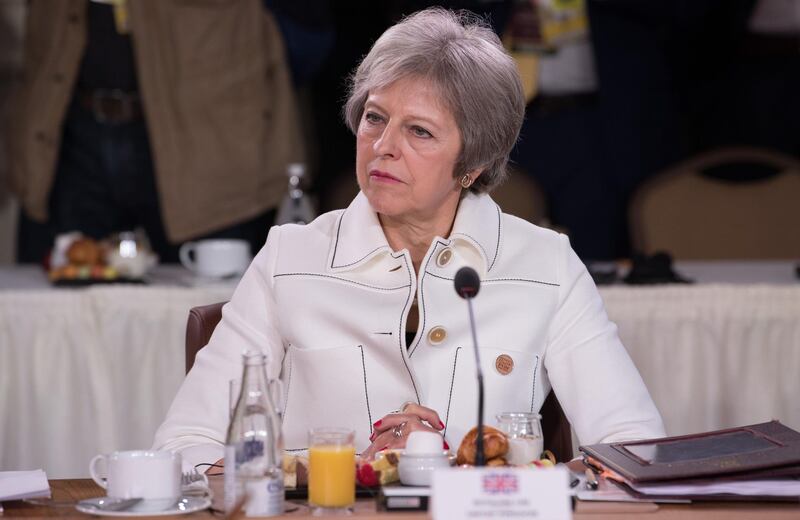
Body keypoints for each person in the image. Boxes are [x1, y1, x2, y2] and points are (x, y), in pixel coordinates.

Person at [153, 7, 664, 469]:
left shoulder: (546, 264)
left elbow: (633, 446)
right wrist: (345, 471)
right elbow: (184, 445)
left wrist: (491, 475)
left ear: (474, 163)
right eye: (374, 118)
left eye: (419, 131)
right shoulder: (290, 257)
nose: (382, 147)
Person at [5, 0, 305, 263]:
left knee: (205, 305)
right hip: (67, 124)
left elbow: (307, 27)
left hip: (209, 133)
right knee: (60, 300)